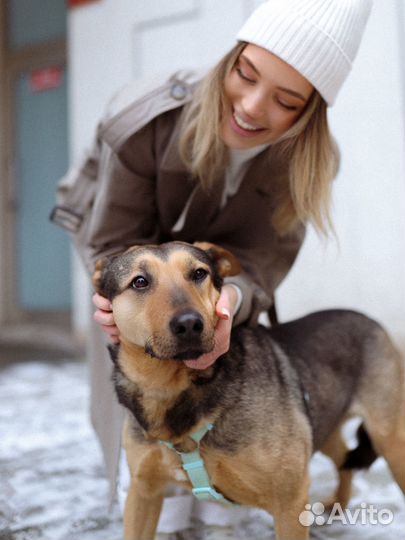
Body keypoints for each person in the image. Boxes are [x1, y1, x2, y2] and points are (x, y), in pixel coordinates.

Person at [51, 0, 373, 533]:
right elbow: (114, 241)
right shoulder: (145, 117)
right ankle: (156, 481)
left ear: (309, 113)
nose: (249, 106)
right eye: (245, 74)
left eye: (286, 100)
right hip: (118, 228)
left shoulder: (308, 163)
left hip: (216, 249)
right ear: (231, 59)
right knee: (136, 352)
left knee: (201, 334)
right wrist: (118, 306)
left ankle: (203, 476)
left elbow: (263, 263)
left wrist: (232, 300)